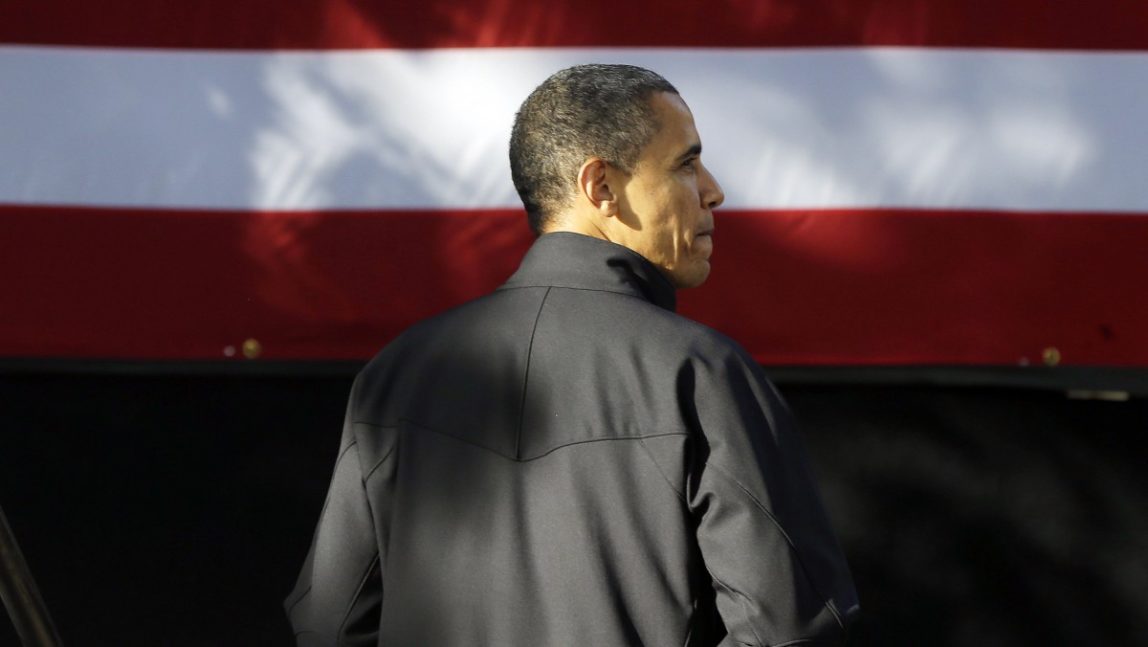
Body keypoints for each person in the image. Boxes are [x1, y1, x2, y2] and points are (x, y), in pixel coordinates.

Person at [285, 63, 860, 646]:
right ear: (601, 187)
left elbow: (329, 624)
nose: (713, 190)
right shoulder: (700, 373)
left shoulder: (395, 374)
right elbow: (791, 628)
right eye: (686, 163)